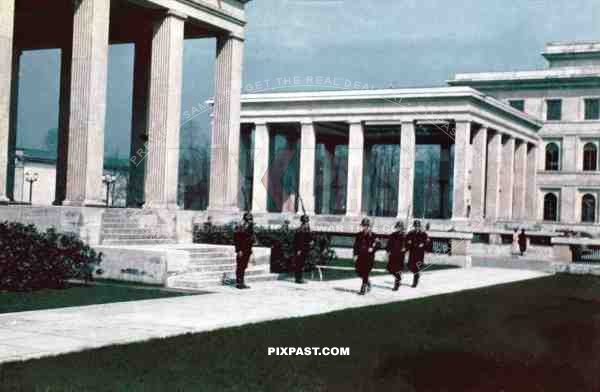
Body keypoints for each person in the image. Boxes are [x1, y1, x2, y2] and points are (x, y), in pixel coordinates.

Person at [353, 218, 378, 295]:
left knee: (365, 272)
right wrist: (355, 255)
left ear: (368, 226)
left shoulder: (373, 236)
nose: (365, 227)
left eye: (366, 226)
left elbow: (379, 245)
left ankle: (363, 289)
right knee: (358, 271)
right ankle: (368, 282)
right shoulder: (359, 235)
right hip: (360, 257)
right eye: (363, 226)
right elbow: (355, 246)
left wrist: (373, 249)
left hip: (369, 257)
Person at [233, 212, 255, 289]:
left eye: (251, 218)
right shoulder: (241, 227)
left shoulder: (250, 226)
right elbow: (237, 239)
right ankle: (239, 283)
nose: (250, 220)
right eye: (249, 218)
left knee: (244, 266)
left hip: (247, 250)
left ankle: (241, 282)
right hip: (242, 250)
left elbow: (250, 239)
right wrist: (239, 250)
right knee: (240, 266)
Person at [406, 219, 429, 288]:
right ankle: (417, 275)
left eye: (418, 226)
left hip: (419, 253)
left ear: (420, 226)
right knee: (410, 266)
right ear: (414, 226)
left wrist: (423, 244)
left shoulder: (423, 234)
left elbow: (427, 242)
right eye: (416, 226)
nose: (417, 227)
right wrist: (408, 243)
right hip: (412, 252)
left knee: (416, 268)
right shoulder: (410, 233)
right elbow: (407, 240)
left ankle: (414, 282)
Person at [386, 221, 407, 291]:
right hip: (392, 255)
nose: (398, 228)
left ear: (402, 228)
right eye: (397, 227)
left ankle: (396, 285)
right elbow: (388, 244)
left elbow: (408, 246)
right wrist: (388, 251)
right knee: (389, 268)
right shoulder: (392, 235)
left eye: (400, 227)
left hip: (400, 256)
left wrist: (405, 249)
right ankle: (399, 278)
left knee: (397, 270)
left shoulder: (404, 236)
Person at [293, 215, 312, 284]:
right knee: (300, 264)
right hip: (301, 250)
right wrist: (299, 250)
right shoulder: (302, 230)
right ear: (304, 222)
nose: (307, 223)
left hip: (302, 249)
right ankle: (299, 279)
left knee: (300, 264)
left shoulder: (304, 229)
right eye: (306, 221)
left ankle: (299, 278)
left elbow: (309, 238)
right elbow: (300, 241)